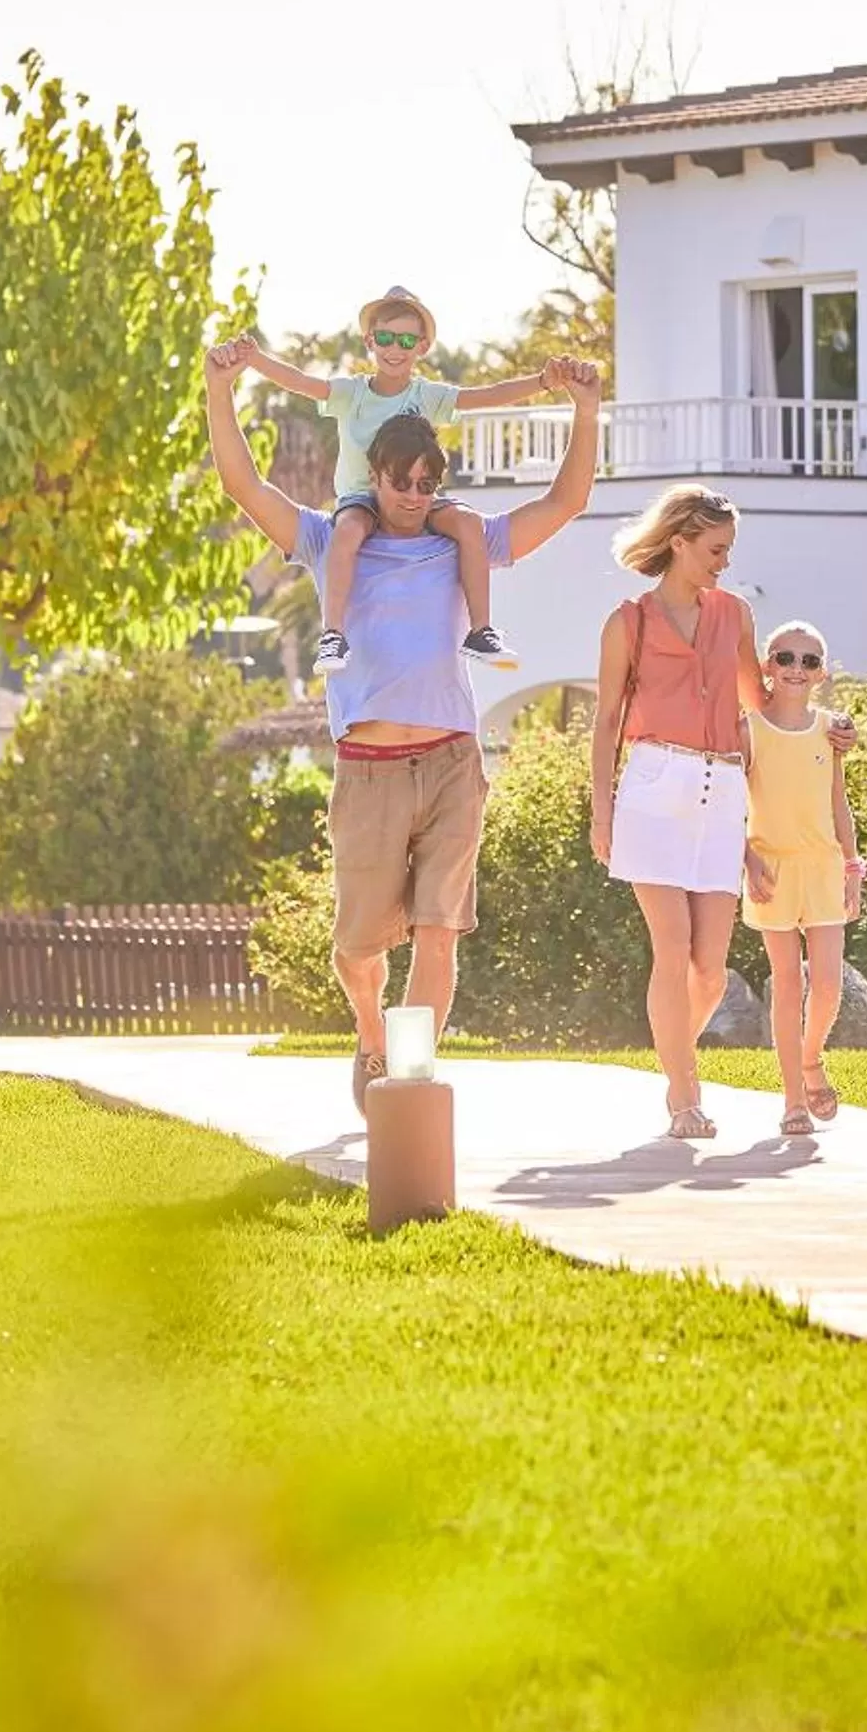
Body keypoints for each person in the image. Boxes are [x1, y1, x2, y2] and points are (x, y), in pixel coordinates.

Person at [204, 333, 602, 1118]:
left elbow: (563, 505)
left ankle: (410, 1082)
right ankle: (372, 1035)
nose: (415, 495)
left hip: (451, 762)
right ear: (374, 477)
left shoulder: (461, 544)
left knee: (438, 932)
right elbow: (242, 483)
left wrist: (585, 410)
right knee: (356, 951)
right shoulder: (330, 542)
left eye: (428, 483)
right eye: (401, 481)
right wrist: (222, 388)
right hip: (370, 770)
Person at [232, 287, 555, 676]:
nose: (394, 349)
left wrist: (543, 381)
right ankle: (333, 633)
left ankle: (480, 630)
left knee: (468, 523)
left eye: (406, 340)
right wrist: (255, 360)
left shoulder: (427, 395)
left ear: (422, 347)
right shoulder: (351, 393)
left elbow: (486, 395)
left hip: (415, 494)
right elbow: (300, 382)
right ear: (370, 340)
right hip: (361, 499)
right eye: (385, 338)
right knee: (346, 531)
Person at [588, 485, 767, 1141]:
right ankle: (685, 1096)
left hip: (722, 790)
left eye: (728, 550)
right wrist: (602, 811)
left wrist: (820, 717)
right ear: (679, 542)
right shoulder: (627, 623)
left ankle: (672, 1063)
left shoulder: (735, 615)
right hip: (653, 788)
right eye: (716, 549)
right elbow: (607, 721)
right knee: (672, 948)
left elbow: (760, 702)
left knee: (710, 970)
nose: (725, 562)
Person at [742, 620, 865, 1137]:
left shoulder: (830, 731)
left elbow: (839, 803)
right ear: (767, 667)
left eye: (808, 661)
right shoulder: (748, 729)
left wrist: (853, 867)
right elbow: (729, 805)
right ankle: (793, 1100)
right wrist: (747, 860)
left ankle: (812, 1058)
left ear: (822, 674)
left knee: (830, 986)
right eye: (785, 658)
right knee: (788, 983)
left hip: (823, 867)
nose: (796, 668)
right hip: (772, 868)